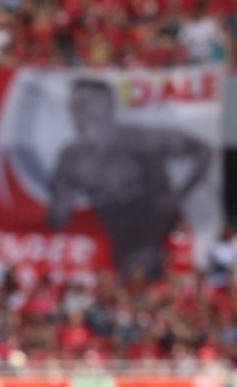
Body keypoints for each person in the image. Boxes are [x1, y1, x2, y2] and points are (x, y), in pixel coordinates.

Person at [44, 77, 214, 281]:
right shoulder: (72, 158)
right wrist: (59, 204)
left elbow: (203, 151)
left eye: (86, 105)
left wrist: (180, 195)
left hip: (153, 242)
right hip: (115, 247)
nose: (79, 112)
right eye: (75, 105)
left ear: (106, 106)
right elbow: (58, 215)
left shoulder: (141, 139)